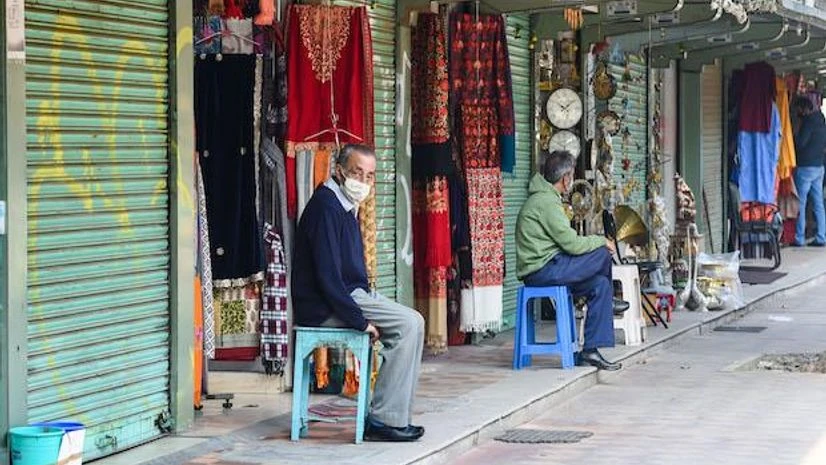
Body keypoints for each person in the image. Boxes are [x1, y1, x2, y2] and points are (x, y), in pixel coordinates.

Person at [291, 144, 426, 442]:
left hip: (350, 295)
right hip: (326, 305)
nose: (363, 182)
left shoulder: (343, 204)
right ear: (339, 170)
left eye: (369, 176)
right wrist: (359, 321)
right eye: (356, 173)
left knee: (413, 322)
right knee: (408, 324)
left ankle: (393, 416)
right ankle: (383, 420)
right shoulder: (326, 207)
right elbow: (328, 279)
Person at [515, 150, 629, 371]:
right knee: (603, 253)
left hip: (552, 266)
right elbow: (572, 245)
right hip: (541, 270)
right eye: (571, 176)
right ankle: (610, 305)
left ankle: (590, 351)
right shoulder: (545, 202)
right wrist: (601, 241)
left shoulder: (546, 199)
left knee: (601, 285)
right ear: (565, 178)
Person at [792, 97, 826, 247]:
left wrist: (794, 135)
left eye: (798, 110)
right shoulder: (821, 121)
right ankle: (821, 237)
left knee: (801, 203)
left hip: (805, 167)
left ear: (803, 109)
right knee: (818, 204)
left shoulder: (808, 122)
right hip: (819, 167)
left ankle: (799, 238)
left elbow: (801, 143)